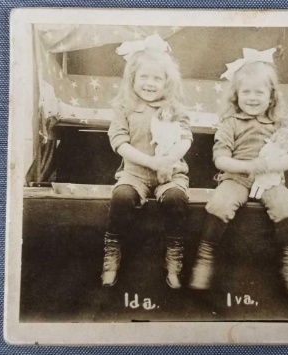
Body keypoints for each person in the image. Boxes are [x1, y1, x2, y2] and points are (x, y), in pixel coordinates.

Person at [188, 48, 288, 296]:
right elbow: (220, 159)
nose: (252, 98)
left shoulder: (278, 125)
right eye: (246, 92)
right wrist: (247, 166)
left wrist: (272, 166)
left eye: (259, 92)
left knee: (286, 207)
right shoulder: (230, 123)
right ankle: (205, 257)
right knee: (219, 204)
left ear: (271, 97)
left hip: (270, 180)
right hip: (236, 177)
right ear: (236, 95)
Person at [102, 34, 192, 289]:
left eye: (157, 78)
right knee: (121, 196)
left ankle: (174, 252)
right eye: (144, 77)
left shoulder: (174, 107)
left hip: (171, 172)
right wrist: (150, 163)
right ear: (132, 79)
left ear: (167, 82)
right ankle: (112, 250)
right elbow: (119, 142)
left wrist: (167, 161)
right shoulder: (124, 106)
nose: (150, 83)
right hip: (135, 173)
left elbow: (186, 138)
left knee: (176, 198)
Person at [249, 127, 288, 199]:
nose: (282, 139)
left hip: (273, 169)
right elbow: (262, 152)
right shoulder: (269, 145)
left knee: (265, 183)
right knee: (258, 181)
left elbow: (282, 161)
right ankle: (252, 193)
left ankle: (258, 194)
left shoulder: (282, 150)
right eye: (280, 136)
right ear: (276, 136)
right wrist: (262, 159)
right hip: (264, 165)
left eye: (285, 138)